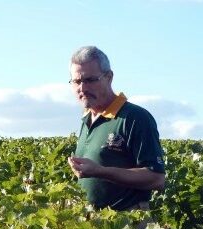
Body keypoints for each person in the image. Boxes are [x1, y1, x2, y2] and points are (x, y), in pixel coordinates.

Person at [67, 46, 165, 211]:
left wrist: (100, 171)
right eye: (77, 81)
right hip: (91, 226)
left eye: (90, 80)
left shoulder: (135, 117)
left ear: (109, 77)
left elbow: (156, 178)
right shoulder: (86, 119)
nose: (82, 88)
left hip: (129, 223)